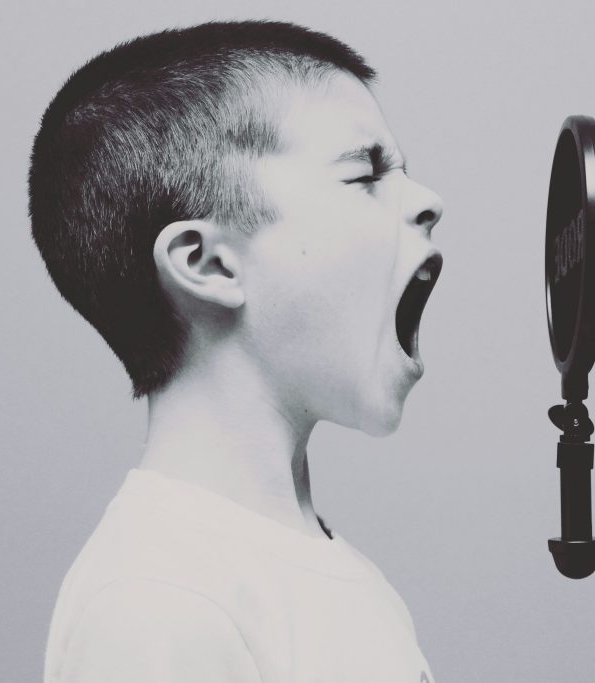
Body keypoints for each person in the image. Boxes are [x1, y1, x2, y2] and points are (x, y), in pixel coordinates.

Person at [30, 20, 443, 682]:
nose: (427, 202)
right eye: (364, 174)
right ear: (209, 263)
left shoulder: (337, 575)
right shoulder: (158, 602)